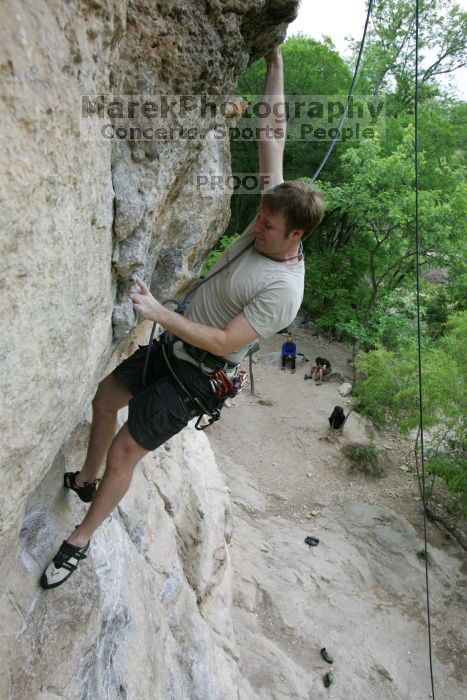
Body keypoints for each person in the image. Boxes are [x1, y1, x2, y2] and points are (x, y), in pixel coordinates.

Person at [41, 45, 324, 588]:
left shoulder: (284, 290)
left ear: (296, 235)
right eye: (259, 217)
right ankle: (85, 478)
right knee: (104, 399)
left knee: (129, 450)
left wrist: (155, 312)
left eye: (267, 226)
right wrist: (276, 63)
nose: (256, 227)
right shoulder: (274, 216)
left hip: (198, 375)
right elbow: (272, 136)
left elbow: (222, 341)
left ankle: (78, 540)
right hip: (175, 347)